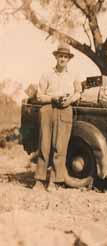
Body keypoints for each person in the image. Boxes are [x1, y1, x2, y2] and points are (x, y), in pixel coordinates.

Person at [32, 43, 82, 191]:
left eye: (65, 57)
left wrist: (70, 100)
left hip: (65, 110)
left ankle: (54, 181)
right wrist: (53, 98)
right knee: (44, 145)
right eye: (60, 56)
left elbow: (78, 92)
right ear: (56, 57)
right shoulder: (47, 74)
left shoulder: (74, 76)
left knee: (60, 147)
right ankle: (39, 180)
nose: (63, 59)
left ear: (69, 59)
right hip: (48, 109)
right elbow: (40, 96)